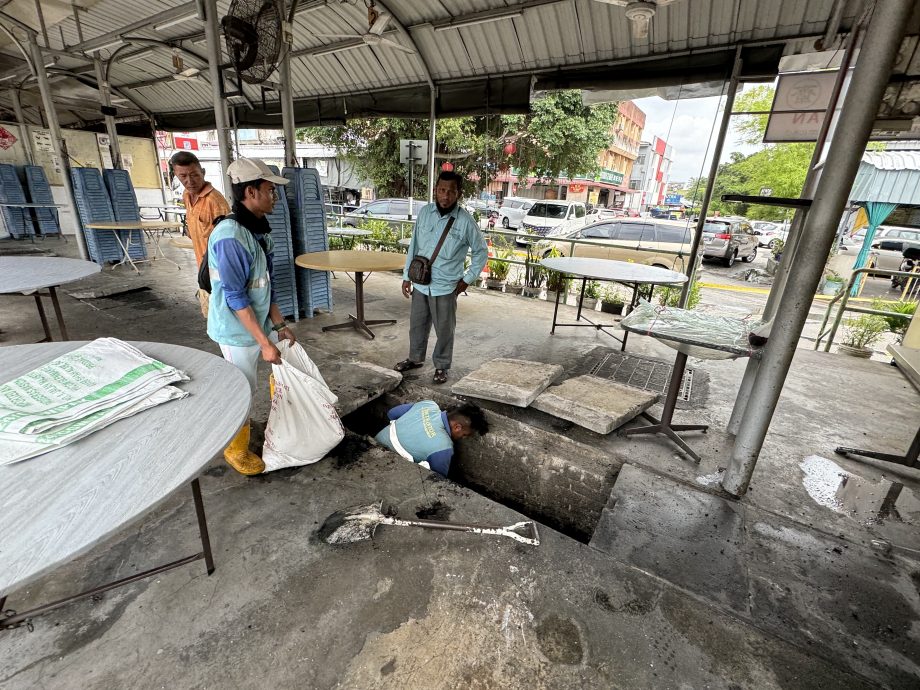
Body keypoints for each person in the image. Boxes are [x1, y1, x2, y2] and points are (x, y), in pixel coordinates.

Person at [207, 157, 295, 476]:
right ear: (250, 192)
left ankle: (281, 424)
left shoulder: (259, 232)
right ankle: (235, 448)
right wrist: (263, 341)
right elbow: (236, 298)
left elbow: (265, 286)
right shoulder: (231, 236)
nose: (275, 197)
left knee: (278, 369)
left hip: (257, 322)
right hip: (236, 330)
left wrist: (279, 325)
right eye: (270, 190)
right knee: (242, 389)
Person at [395, 171, 488, 385]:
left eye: (451, 192)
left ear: (459, 194)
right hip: (421, 282)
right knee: (417, 325)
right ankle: (415, 358)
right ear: (436, 190)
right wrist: (407, 276)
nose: (445, 196)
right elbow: (415, 246)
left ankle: (441, 366)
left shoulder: (465, 221)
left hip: (446, 286)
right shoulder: (425, 213)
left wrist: (467, 279)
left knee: (444, 330)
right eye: (442, 190)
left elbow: (481, 251)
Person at [170, 151, 231, 317]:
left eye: (194, 175)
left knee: (223, 315)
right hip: (202, 267)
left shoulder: (216, 202)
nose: (189, 181)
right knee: (211, 314)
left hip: (219, 270)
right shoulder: (186, 195)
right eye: (183, 176)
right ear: (176, 175)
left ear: (202, 172)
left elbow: (229, 243)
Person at [374, 401, 489, 476]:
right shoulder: (443, 447)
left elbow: (392, 413)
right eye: (465, 435)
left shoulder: (428, 405)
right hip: (387, 468)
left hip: (373, 444)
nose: (463, 438)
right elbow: (437, 479)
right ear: (457, 427)